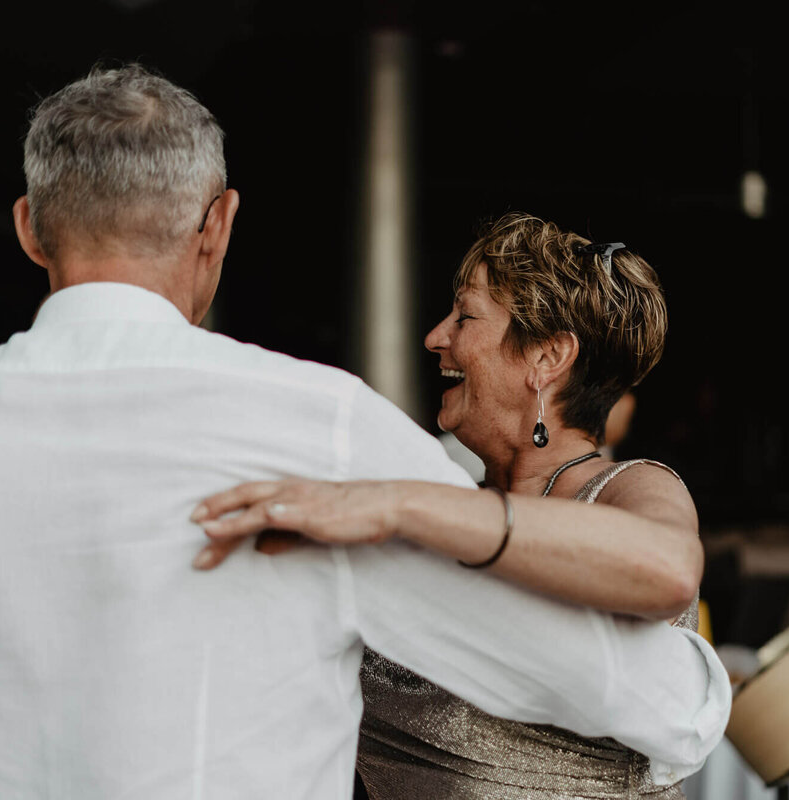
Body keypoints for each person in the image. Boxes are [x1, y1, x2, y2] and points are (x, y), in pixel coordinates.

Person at [0, 65, 732, 799]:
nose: (435, 338)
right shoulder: (321, 430)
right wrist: (696, 690)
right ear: (218, 226)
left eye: (464, 316)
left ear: (30, 228)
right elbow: (656, 702)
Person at [191, 212, 706, 797]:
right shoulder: (444, 511)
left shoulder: (628, 487)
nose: (436, 336)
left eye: (465, 316)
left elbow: (670, 569)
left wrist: (401, 505)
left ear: (546, 358)